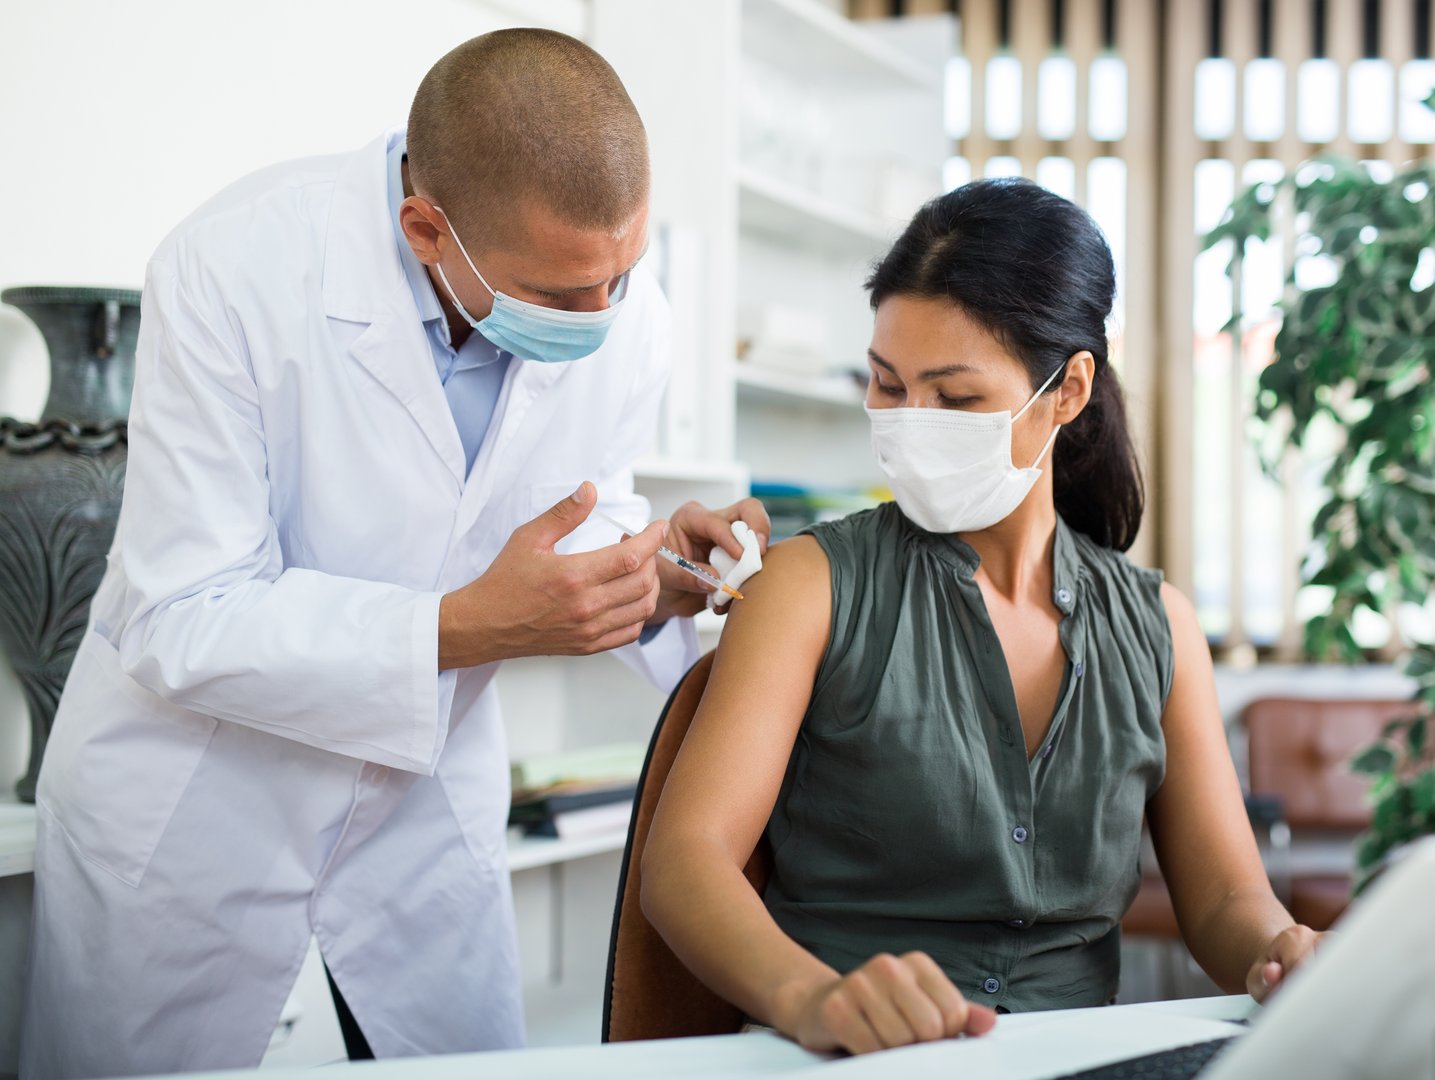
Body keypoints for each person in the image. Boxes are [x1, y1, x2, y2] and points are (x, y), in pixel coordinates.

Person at [21, 29, 766, 1077]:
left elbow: (570, 510)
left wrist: (650, 569)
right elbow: (181, 611)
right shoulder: (233, 268)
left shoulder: (622, 314)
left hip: (421, 807)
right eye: (559, 297)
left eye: (623, 276)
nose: (601, 319)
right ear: (426, 229)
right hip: (198, 804)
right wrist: (460, 627)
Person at [640, 178, 1320, 1057]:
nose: (909, 425)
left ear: (1067, 390)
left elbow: (1227, 901)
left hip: (1077, 1063)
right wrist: (813, 998)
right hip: (846, 1057)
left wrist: (1278, 953)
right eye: (886, 384)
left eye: (955, 399)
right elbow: (685, 861)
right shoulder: (807, 586)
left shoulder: (1159, 626)